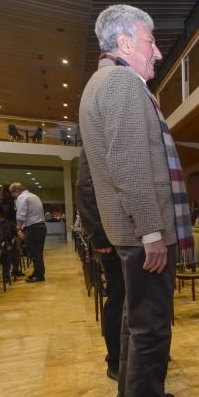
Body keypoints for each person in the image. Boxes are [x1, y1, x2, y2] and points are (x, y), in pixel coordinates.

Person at [79, 4, 193, 397]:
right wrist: (150, 231)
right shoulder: (123, 83)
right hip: (141, 230)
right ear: (125, 42)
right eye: (151, 41)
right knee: (151, 326)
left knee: (134, 322)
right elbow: (127, 164)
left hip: (126, 229)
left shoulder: (102, 81)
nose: (158, 52)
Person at [76, 149, 123, 380]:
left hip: (132, 236)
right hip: (113, 237)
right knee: (118, 298)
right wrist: (100, 235)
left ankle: (133, 356)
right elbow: (85, 188)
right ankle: (115, 360)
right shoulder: (96, 136)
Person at [9, 182, 46, 282]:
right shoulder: (34, 196)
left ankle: (39, 275)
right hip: (41, 227)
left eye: (11, 193)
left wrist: (18, 229)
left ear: (16, 191)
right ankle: (38, 272)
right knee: (38, 252)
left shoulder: (22, 198)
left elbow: (21, 215)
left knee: (34, 253)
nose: (12, 196)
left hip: (32, 228)